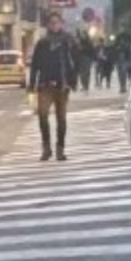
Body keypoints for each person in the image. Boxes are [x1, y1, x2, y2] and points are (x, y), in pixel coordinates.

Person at [27, 9, 79, 161]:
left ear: (61, 23)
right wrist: (32, 83)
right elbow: (35, 64)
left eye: (57, 22)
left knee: (61, 119)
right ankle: (46, 147)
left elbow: (77, 60)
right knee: (42, 116)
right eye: (52, 23)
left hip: (62, 85)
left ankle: (60, 149)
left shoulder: (68, 40)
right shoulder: (42, 43)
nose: (54, 25)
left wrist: (73, 80)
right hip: (45, 85)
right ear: (48, 25)